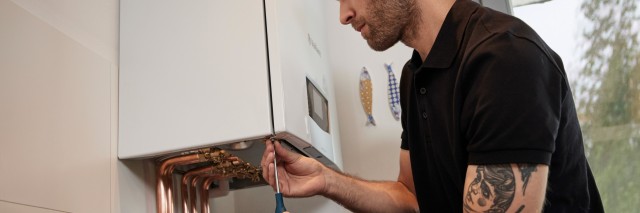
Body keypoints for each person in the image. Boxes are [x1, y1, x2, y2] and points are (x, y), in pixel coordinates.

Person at [261, 0, 604, 212]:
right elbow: (410, 198)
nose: (343, 15)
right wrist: (326, 180)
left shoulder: (503, 60)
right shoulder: (415, 76)